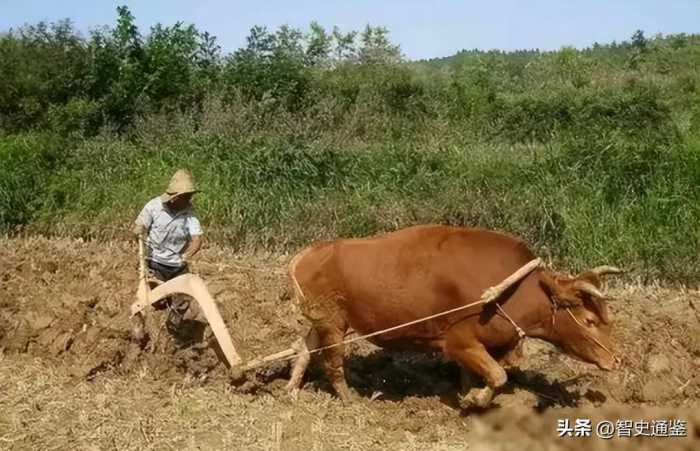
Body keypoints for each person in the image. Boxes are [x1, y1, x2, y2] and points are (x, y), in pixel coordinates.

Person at [131, 168, 204, 340]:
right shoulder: (154, 207)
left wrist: (186, 256)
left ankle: (173, 332)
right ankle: (142, 326)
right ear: (175, 196)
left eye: (190, 196)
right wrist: (139, 231)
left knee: (183, 301)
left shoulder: (189, 212)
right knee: (156, 300)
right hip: (156, 263)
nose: (189, 199)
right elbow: (138, 228)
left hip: (179, 266)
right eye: (186, 196)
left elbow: (197, 239)